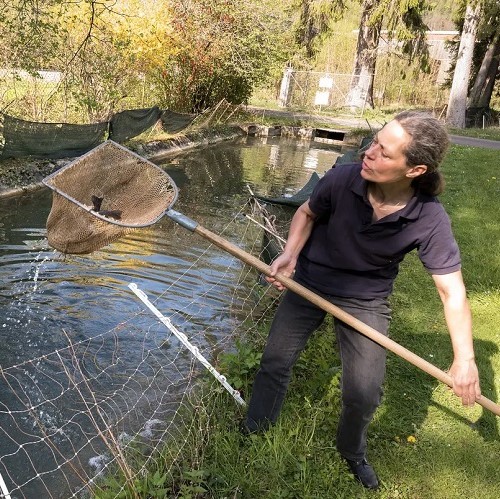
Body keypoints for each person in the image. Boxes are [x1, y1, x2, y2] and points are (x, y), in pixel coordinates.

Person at [243, 110, 482, 489]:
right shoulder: (341, 179)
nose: (370, 154)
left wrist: (465, 360)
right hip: (311, 282)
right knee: (274, 361)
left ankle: (351, 450)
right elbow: (307, 212)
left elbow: (451, 290)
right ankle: (255, 431)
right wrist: (290, 254)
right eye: (374, 142)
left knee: (364, 391)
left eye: (385, 153)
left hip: (366, 300)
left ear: (415, 170)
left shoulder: (429, 218)